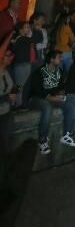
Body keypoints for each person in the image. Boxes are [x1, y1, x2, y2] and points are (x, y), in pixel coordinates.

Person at [29, 50, 75, 154]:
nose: (61, 59)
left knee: (69, 102)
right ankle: (42, 140)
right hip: (37, 98)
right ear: (51, 59)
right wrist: (51, 98)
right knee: (47, 107)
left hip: (53, 97)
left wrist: (62, 93)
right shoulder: (40, 71)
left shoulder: (59, 71)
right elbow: (36, 90)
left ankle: (66, 135)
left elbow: (62, 86)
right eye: (59, 57)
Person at [0, 35, 16, 205]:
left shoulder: (7, 71)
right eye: (7, 54)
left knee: (5, 151)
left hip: (6, 114)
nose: (10, 57)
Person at [10, 21, 34, 109]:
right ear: (20, 30)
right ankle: (15, 105)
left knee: (19, 86)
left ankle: (15, 104)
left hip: (24, 64)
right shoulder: (22, 39)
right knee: (19, 86)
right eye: (26, 27)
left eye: (29, 27)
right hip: (21, 65)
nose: (29, 29)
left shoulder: (20, 39)